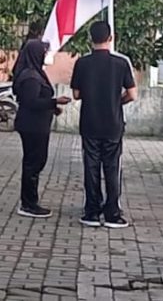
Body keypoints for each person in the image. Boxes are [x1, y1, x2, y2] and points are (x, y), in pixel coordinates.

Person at [70, 20, 138, 229]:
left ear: (90, 39)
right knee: (112, 167)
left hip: (89, 123)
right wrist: (117, 101)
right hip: (113, 124)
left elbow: (76, 94)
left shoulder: (82, 63)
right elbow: (132, 94)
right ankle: (112, 214)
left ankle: (91, 212)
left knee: (91, 167)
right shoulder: (121, 63)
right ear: (110, 38)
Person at [11, 40, 70, 219]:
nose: (45, 56)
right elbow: (31, 102)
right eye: (43, 53)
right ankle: (29, 203)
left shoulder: (35, 73)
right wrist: (54, 102)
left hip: (36, 124)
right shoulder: (30, 77)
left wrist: (52, 108)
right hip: (32, 126)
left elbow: (37, 100)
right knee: (33, 163)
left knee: (35, 162)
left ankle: (30, 201)